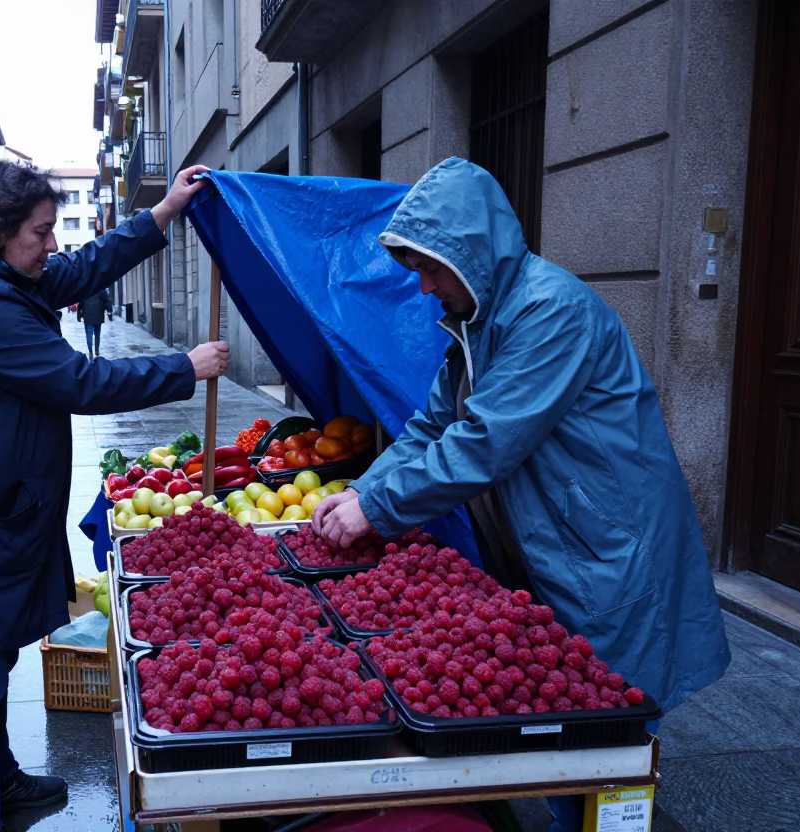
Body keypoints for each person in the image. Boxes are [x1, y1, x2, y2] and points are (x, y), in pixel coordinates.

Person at [310, 158, 729, 832]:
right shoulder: (475, 324)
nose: (422, 288)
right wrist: (364, 489)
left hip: (607, 546)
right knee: (567, 719)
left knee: (608, 734)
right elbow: (429, 429)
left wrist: (377, 509)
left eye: (430, 269)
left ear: (470, 256)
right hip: (558, 543)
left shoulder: (550, 311)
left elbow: (485, 440)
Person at [0, 161, 228, 832]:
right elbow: (77, 381)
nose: (53, 246)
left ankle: (2, 783)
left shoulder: (0, 275)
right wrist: (181, 369)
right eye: (41, 233)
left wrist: (161, 213)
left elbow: (77, 272)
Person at [77, 287, 112, 359]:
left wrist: (79, 315)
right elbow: (107, 301)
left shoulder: (85, 289)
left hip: (87, 316)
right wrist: (109, 313)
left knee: (89, 335)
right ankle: (97, 350)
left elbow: (80, 303)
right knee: (97, 334)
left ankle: (90, 352)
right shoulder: (101, 290)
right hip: (98, 316)